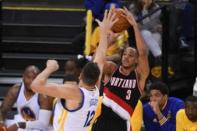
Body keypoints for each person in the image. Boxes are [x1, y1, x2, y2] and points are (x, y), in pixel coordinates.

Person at [31, 10, 118, 131]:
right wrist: (103, 32)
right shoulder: (96, 90)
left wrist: (50, 68)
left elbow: (35, 86)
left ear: (80, 76)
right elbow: (100, 58)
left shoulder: (74, 92)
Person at [92, 7, 149, 131]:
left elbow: (143, 53)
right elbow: (95, 64)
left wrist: (134, 25)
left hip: (121, 124)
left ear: (136, 60)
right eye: (125, 54)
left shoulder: (139, 76)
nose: (126, 57)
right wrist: (106, 38)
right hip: (101, 122)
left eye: (131, 55)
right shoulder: (112, 69)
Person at [0, 65, 53, 131]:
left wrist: (19, 125)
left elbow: (43, 124)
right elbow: (2, 110)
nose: (31, 81)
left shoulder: (44, 96)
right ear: (23, 77)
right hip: (22, 122)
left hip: (38, 127)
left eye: (34, 78)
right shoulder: (16, 89)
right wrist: (1, 122)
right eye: (28, 77)